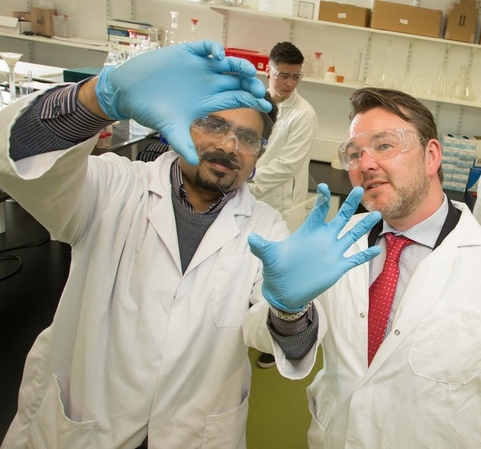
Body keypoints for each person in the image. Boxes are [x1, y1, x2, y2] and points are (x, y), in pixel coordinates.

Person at [0, 41, 379, 449]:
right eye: (214, 125)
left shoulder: (266, 229)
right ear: (179, 123)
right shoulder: (115, 187)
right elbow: (22, 164)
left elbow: (282, 344)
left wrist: (291, 311)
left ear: (259, 155)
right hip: (84, 424)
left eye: (248, 138)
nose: (230, 146)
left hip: (194, 433)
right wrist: (99, 97)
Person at [253, 87, 481, 448]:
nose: (365, 164)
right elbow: (291, 346)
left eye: (384, 145)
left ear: (431, 157)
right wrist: (289, 312)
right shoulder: (334, 248)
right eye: (354, 154)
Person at [248, 42, 319, 370]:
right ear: (269, 70)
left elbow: (287, 165)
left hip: (281, 203)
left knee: (276, 272)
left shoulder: (304, 114)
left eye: (295, 77)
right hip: (248, 195)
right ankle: (241, 327)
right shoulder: (253, 101)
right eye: (282, 75)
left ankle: (272, 343)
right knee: (244, 266)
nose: (289, 83)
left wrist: (248, 181)